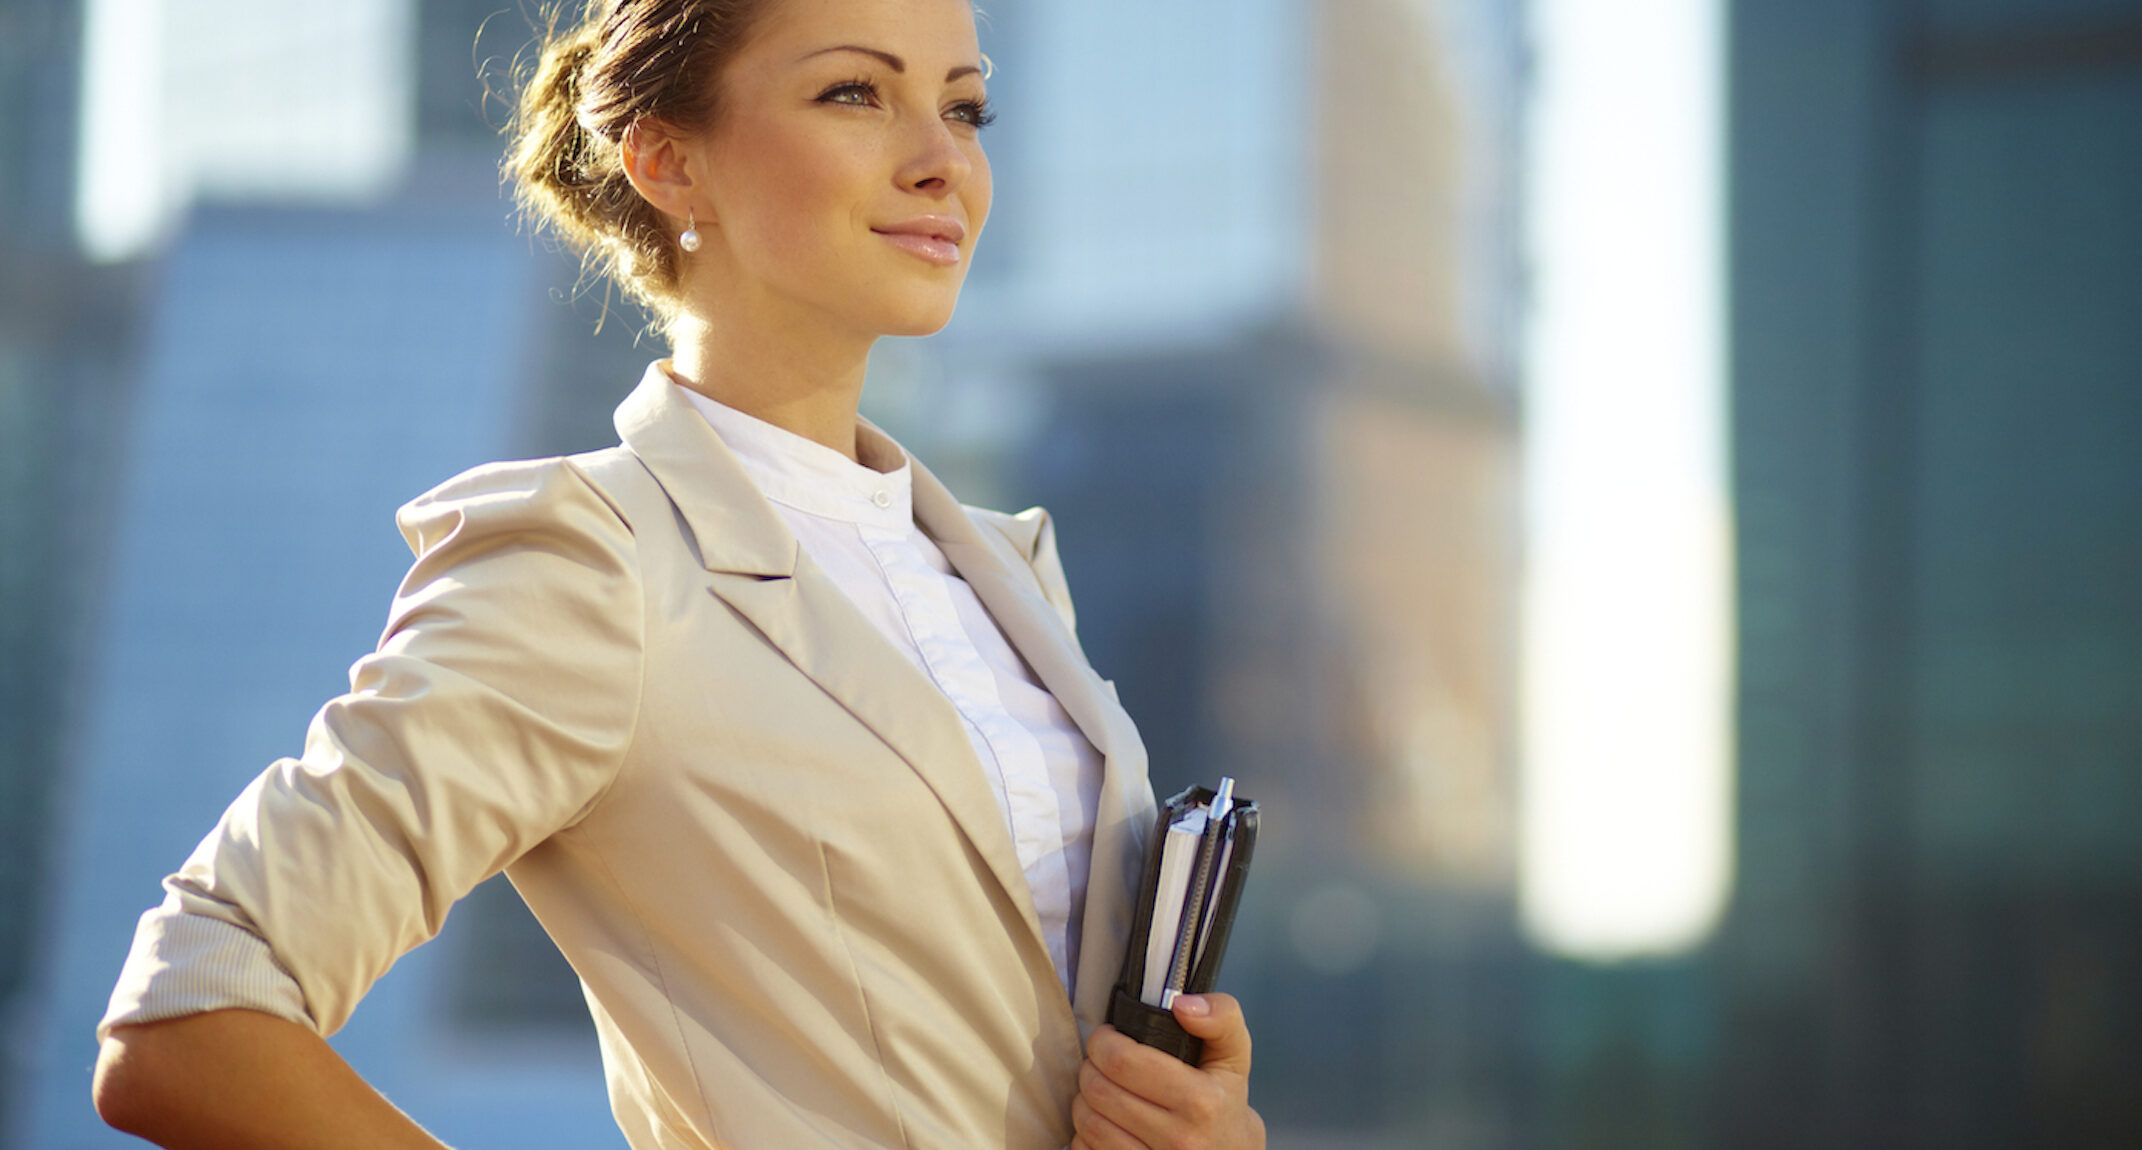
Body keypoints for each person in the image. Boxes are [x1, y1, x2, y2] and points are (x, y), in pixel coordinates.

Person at [87, 0, 1266, 1146]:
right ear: (666, 159)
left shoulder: (1005, 575)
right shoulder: (590, 561)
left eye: (964, 110)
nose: (937, 160)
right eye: (855, 92)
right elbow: (190, 1012)